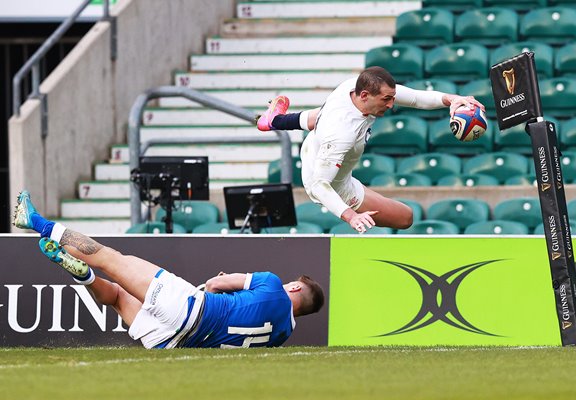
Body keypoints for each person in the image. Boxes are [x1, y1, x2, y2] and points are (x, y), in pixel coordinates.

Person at [12, 190, 324, 349]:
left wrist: (214, 282)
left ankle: (35, 222)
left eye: (290, 283)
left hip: (191, 308)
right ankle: (82, 276)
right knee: (119, 298)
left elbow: (217, 286)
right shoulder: (283, 334)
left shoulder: (271, 284)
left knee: (111, 258)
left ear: (295, 288)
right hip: (175, 343)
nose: (286, 284)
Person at [257, 66, 485, 233]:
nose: (391, 104)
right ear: (364, 95)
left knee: (321, 116)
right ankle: (275, 121)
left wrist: (454, 99)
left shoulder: (351, 87)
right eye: (386, 99)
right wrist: (350, 216)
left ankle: (274, 120)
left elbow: (415, 98)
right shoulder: (342, 133)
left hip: (319, 141)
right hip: (334, 184)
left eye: (392, 98)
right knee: (406, 217)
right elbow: (319, 185)